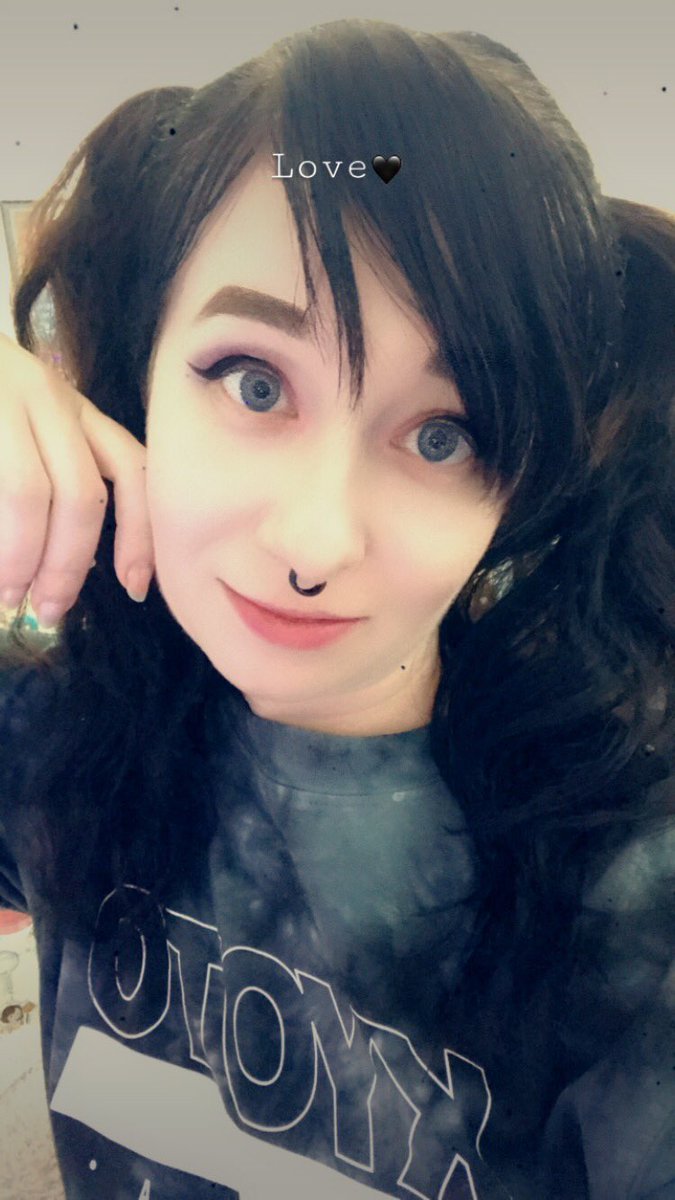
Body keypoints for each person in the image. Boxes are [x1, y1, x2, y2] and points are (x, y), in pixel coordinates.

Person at [0, 17, 673, 1199]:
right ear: (140, 374)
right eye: (254, 382)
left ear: (520, 488)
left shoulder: (626, 891)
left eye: (443, 434)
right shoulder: (62, 724)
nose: (316, 541)